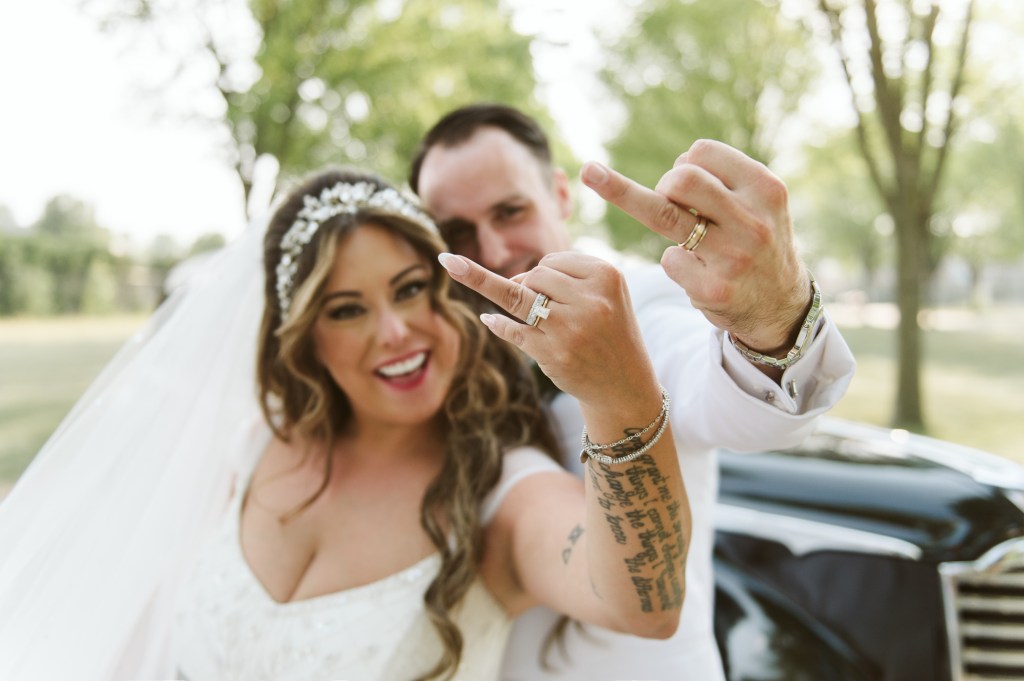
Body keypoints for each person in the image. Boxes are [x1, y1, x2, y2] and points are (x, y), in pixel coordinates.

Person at [0, 167, 691, 681]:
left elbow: (645, 604)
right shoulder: (255, 450)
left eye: (411, 288)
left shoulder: (502, 492)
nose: (394, 332)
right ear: (305, 339)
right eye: (345, 309)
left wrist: (619, 394)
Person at [411, 103, 857, 680]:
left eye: (510, 211)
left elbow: (736, 400)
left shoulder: (641, 309)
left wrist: (771, 317)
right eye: (459, 233)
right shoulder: (425, 366)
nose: (493, 251)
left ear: (560, 195)